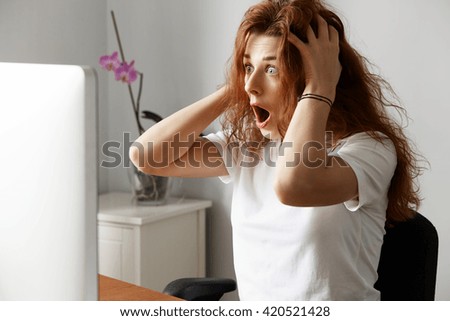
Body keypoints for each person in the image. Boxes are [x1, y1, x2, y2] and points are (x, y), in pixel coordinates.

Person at [129, 0, 423, 300]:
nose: (252, 85)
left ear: (317, 74)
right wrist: (236, 87)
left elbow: (293, 185)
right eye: (247, 66)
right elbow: (146, 156)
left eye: (272, 68)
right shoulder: (249, 146)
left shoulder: (369, 149)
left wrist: (320, 88)